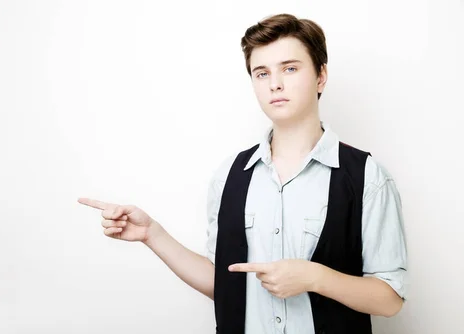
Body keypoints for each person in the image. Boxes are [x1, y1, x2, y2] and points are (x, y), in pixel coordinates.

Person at [78, 13, 407, 334]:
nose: (275, 84)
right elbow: (224, 284)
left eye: (290, 68)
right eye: (261, 73)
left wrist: (313, 277)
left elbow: (390, 299)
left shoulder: (367, 177)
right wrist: (152, 233)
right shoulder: (229, 176)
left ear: (321, 76)